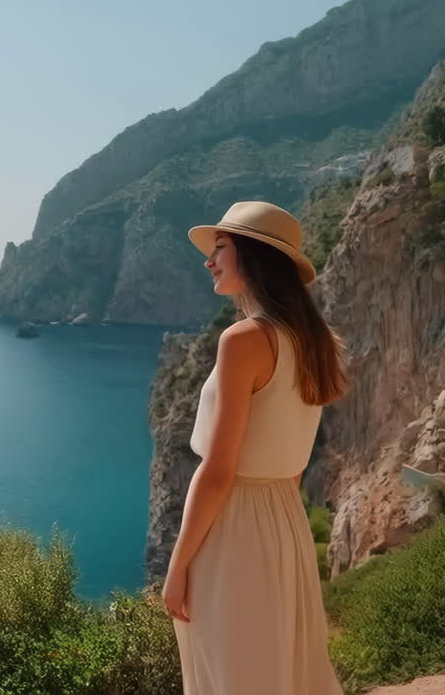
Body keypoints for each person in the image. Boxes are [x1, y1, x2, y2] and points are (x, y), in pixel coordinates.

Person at [166, 200, 349, 694]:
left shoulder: (244, 340)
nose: (209, 260)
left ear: (253, 255)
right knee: (284, 668)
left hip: (235, 529)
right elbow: (293, 463)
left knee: (234, 670)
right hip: (285, 521)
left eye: (220, 248)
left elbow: (220, 469)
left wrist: (178, 564)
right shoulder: (315, 342)